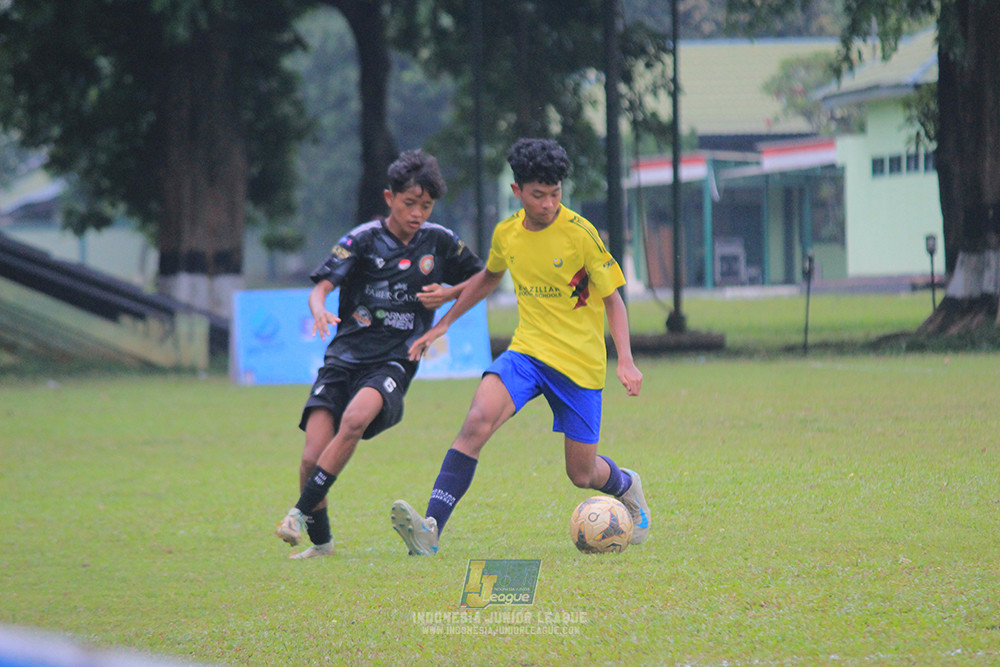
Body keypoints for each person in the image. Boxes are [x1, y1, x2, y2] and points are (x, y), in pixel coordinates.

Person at [390, 138, 648, 556]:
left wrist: (627, 361)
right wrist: (445, 323)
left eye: (555, 194)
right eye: (538, 194)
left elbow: (613, 300)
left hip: (579, 365)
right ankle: (430, 529)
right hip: (527, 353)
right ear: (517, 191)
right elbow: (489, 278)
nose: (548, 204)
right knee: (476, 421)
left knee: (581, 474)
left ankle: (626, 485)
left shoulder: (580, 234)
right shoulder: (507, 233)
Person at [275, 149, 483, 558]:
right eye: (410, 203)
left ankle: (296, 513)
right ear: (390, 198)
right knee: (311, 458)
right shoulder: (362, 240)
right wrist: (319, 310)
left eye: (426, 205)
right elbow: (321, 288)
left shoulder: (439, 241)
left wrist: (448, 297)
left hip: (395, 360)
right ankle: (322, 545)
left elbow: (483, 277)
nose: (418, 213)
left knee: (354, 419)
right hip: (343, 358)